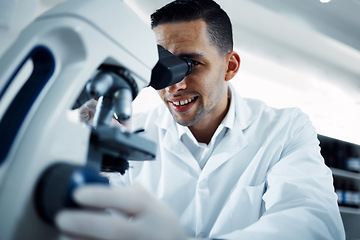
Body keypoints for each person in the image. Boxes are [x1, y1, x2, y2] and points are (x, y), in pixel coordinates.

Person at [56, 0, 345, 239]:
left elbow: (314, 224)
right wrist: (76, 147)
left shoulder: (284, 129)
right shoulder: (134, 135)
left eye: (190, 64)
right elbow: (93, 217)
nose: (173, 86)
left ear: (229, 66)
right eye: (162, 67)